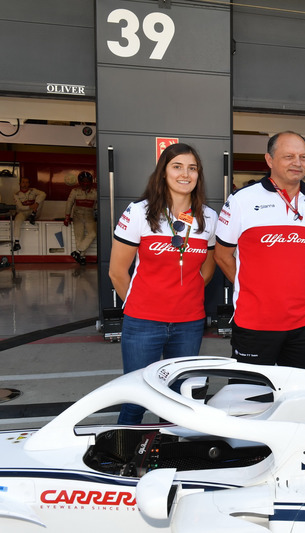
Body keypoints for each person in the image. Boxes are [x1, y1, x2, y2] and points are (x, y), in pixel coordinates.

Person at [109, 143, 217, 425]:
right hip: (143, 322)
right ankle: (120, 461)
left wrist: (184, 293)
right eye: (177, 166)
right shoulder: (140, 212)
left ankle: (169, 458)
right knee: (136, 400)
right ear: (163, 172)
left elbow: (207, 268)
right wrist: (141, 306)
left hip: (189, 323)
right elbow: (117, 272)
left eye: (192, 168)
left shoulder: (208, 218)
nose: (186, 174)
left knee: (178, 402)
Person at [216, 131, 305, 370]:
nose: (297, 163)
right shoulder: (241, 200)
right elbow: (222, 255)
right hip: (255, 323)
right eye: (289, 156)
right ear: (269, 160)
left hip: (304, 323)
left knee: (299, 397)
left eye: (303, 157)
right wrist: (252, 287)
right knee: (250, 399)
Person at [64, 171, 97, 265]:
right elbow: (69, 204)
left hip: (90, 216)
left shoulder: (95, 192)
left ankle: (78, 252)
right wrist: (67, 216)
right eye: (83, 181)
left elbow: (99, 205)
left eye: (87, 181)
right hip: (77, 216)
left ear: (91, 181)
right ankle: (82, 257)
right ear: (80, 181)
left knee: (93, 233)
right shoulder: (75, 191)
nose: (85, 183)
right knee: (79, 237)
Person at [12, 176, 46, 251]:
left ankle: (33, 215)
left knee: (41, 199)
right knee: (17, 220)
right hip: (23, 212)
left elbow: (43, 194)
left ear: (29, 184)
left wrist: (36, 204)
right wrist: (30, 206)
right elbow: (20, 207)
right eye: (23, 182)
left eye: (27, 182)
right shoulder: (16, 194)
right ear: (20, 184)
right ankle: (17, 243)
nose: (25, 184)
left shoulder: (33, 190)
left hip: (34, 211)